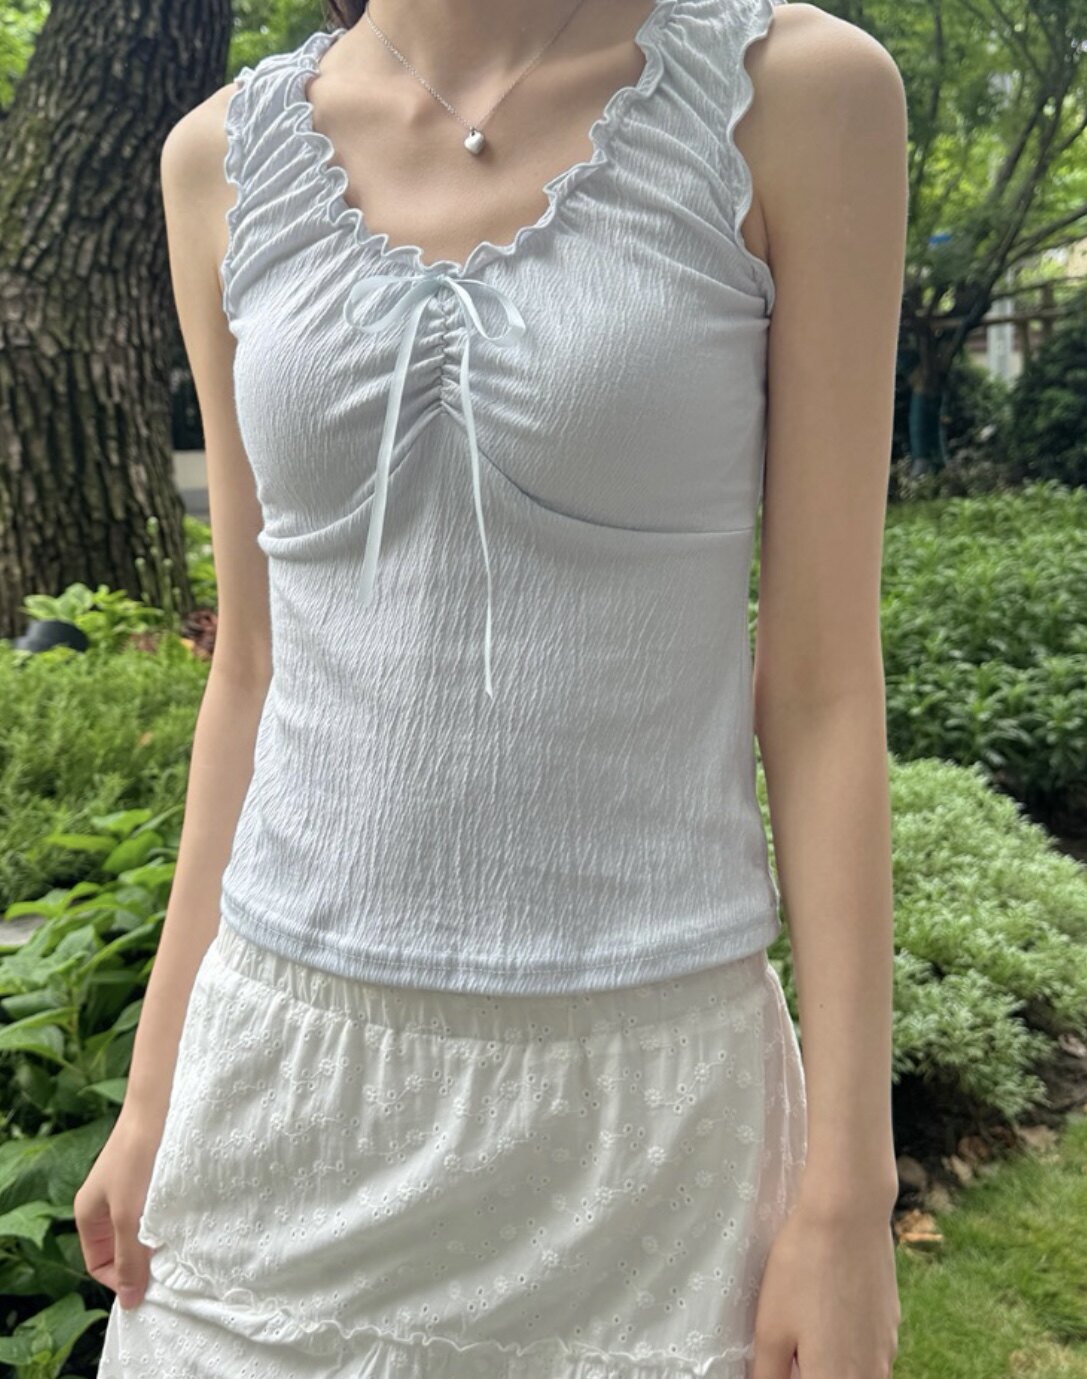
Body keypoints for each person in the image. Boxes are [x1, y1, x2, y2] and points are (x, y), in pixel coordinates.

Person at [78, 0, 908, 1374]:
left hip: (644, 1130)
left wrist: (849, 1196)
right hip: (278, 1094)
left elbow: (821, 687)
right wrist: (154, 1086)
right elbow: (254, 668)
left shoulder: (797, 100)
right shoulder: (218, 159)